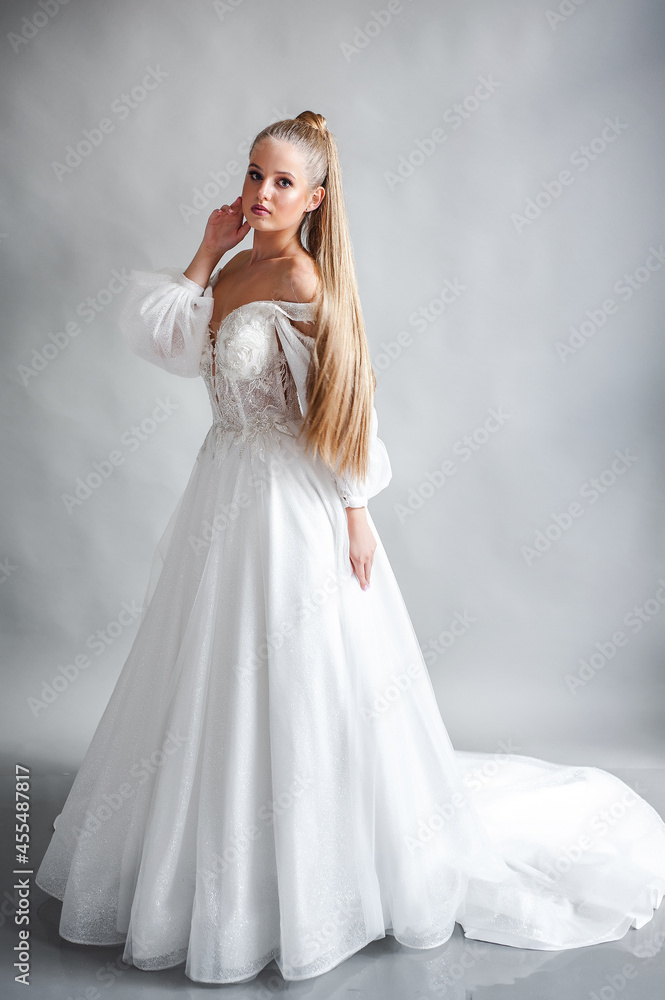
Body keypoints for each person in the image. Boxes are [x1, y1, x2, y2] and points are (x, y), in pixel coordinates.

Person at [35, 111, 665, 985]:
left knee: (293, 677)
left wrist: (355, 512)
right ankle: (210, 850)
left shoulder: (303, 280)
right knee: (210, 672)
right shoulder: (237, 264)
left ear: (316, 199)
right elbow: (172, 344)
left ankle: (307, 869)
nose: (260, 193)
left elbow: (343, 404)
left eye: (281, 182)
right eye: (253, 174)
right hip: (221, 487)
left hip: (284, 505)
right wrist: (206, 251)